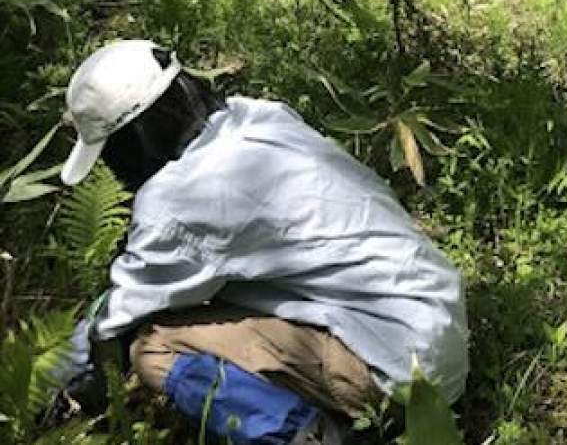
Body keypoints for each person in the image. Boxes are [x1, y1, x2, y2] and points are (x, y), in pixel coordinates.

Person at [51, 39, 468, 444]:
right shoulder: (260, 116)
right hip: (437, 334)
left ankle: (311, 437)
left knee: (156, 348)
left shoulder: (176, 199)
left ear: (131, 143)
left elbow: (117, 320)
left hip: (395, 373)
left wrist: (51, 380)